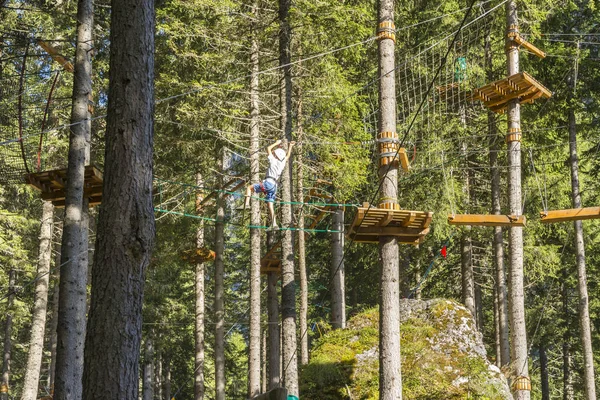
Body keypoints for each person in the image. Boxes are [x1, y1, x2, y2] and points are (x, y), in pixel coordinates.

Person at [244, 139, 295, 229]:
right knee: (270, 204)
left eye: (274, 154)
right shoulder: (282, 163)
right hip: (274, 187)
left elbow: (268, 148)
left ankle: (247, 204)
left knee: (249, 188)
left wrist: (276, 143)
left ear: (276, 155)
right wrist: (290, 146)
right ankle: (274, 224)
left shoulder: (273, 160)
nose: (273, 154)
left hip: (268, 183)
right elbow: (287, 156)